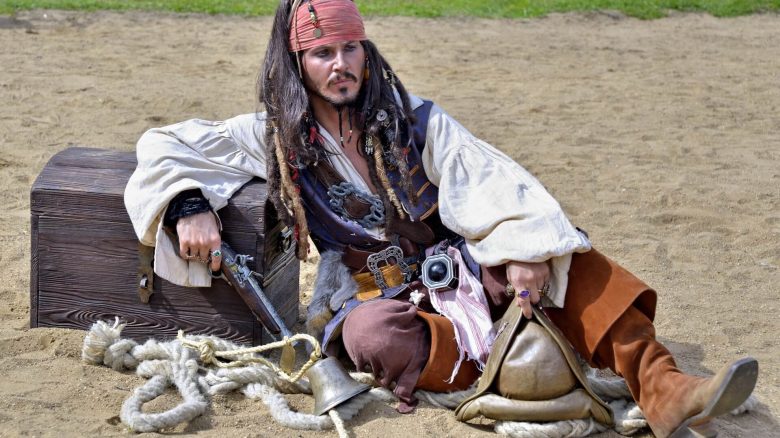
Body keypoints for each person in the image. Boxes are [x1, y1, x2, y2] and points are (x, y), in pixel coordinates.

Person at [124, 0, 758, 436]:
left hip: (463, 267)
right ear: (297, 63)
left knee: (569, 259)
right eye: (322, 53)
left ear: (366, 50)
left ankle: (663, 386)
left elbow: (492, 181)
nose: (341, 64)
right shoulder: (274, 136)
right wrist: (188, 205)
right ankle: (500, 376)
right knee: (371, 338)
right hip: (375, 292)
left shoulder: (416, 119)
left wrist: (522, 248)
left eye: (350, 47)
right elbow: (165, 144)